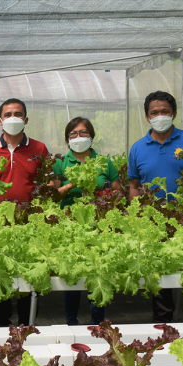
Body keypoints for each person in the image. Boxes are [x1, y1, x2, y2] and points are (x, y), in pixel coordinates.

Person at [128, 91, 183, 323]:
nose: (160, 116)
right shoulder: (138, 148)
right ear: (147, 117)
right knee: (159, 278)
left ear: (174, 113)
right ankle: (162, 325)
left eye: (165, 111)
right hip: (155, 223)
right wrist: (137, 212)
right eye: (154, 113)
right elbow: (134, 185)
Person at [0, 98, 49, 326]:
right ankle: (1, 325)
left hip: (30, 224)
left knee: (29, 273)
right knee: (2, 273)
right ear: (0, 121)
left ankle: (27, 325)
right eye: (8, 114)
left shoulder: (39, 149)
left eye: (18, 114)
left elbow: (46, 184)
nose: (13, 118)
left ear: (26, 120)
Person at [52, 117, 122, 325]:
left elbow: (118, 192)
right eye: (73, 134)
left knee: (97, 269)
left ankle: (97, 321)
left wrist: (102, 192)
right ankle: (71, 320)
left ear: (91, 136)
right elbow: (53, 195)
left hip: (99, 225)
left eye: (83, 133)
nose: (78, 137)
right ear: (67, 139)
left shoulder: (104, 162)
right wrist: (71, 184)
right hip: (70, 225)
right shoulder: (61, 163)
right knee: (73, 270)